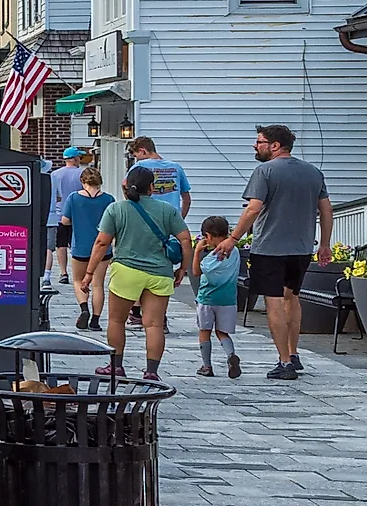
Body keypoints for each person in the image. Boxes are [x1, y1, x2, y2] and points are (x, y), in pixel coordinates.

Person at [219, 123, 334, 381]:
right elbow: (326, 209)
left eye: (259, 141)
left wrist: (232, 238)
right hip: (302, 248)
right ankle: (294, 353)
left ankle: (284, 362)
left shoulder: (265, 171)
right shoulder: (313, 172)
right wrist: (324, 243)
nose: (255, 145)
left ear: (275, 146)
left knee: (274, 302)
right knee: (292, 298)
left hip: (270, 248)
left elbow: (253, 208)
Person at [86, 163, 193, 381]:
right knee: (154, 324)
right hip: (160, 272)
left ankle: (116, 366)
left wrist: (89, 272)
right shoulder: (168, 210)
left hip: (127, 270)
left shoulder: (116, 210)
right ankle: (151, 371)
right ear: (151, 188)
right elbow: (185, 239)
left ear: (126, 186)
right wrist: (183, 268)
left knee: (116, 321)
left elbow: (101, 242)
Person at [192, 214, 243, 378]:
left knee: (204, 331)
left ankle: (207, 366)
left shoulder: (214, 256)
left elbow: (196, 271)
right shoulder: (234, 251)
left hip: (207, 298)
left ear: (208, 236)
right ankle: (230, 355)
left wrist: (198, 251)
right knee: (222, 332)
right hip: (228, 299)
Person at [65, 166, 114, 331]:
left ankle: (84, 308)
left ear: (82, 181)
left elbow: (65, 221)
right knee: (98, 285)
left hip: (80, 247)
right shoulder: (108, 199)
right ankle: (95, 320)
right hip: (103, 249)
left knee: (78, 280)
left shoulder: (73, 198)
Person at [125, 134, 192, 218]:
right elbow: (187, 200)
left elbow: (124, 184)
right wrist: (180, 219)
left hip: (148, 216)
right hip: (172, 218)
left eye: (136, 155)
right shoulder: (176, 167)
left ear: (143, 151)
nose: (136, 159)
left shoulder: (140, 165)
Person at [48, 147, 88, 284]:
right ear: (75, 158)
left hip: (60, 214)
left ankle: (63, 272)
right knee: (78, 244)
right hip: (80, 215)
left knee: (61, 245)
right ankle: (80, 271)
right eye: (79, 158)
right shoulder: (83, 174)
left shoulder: (55, 175)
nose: (80, 160)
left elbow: (55, 196)